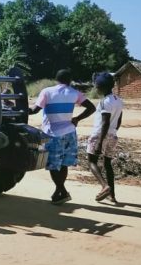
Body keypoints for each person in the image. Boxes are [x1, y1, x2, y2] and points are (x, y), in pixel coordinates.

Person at [28, 69, 96, 204]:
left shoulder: (47, 92)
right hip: (70, 132)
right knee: (64, 164)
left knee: (53, 165)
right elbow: (91, 108)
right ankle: (59, 192)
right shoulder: (74, 93)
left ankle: (62, 191)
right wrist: (77, 119)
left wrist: (20, 109)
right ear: (70, 80)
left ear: (56, 79)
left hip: (52, 133)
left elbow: (34, 110)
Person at [86, 72, 123, 204]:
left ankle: (104, 186)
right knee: (108, 164)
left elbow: (105, 122)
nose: (96, 88)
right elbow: (118, 121)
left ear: (101, 87)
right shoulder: (118, 100)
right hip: (113, 135)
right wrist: (113, 133)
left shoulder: (104, 102)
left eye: (96, 86)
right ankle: (112, 195)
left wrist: (100, 142)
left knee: (91, 161)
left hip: (100, 134)